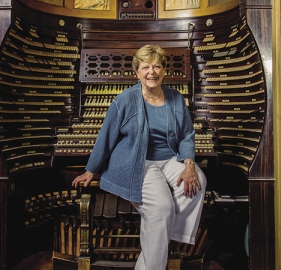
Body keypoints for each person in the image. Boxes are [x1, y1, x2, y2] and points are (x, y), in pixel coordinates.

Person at [72, 44, 207, 269]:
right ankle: (161, 232)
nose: (151, 72)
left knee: (198, 182)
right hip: (137, 162)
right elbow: (106, 136)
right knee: (162, 208)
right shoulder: (125, 100)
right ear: (137, 72)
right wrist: (91, 169)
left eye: (157, 66)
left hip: (169, 159)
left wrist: (189, 164)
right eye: (145, 67)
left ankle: (167, 231)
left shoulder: (175, 98)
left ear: (164, 70)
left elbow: (186, 135)